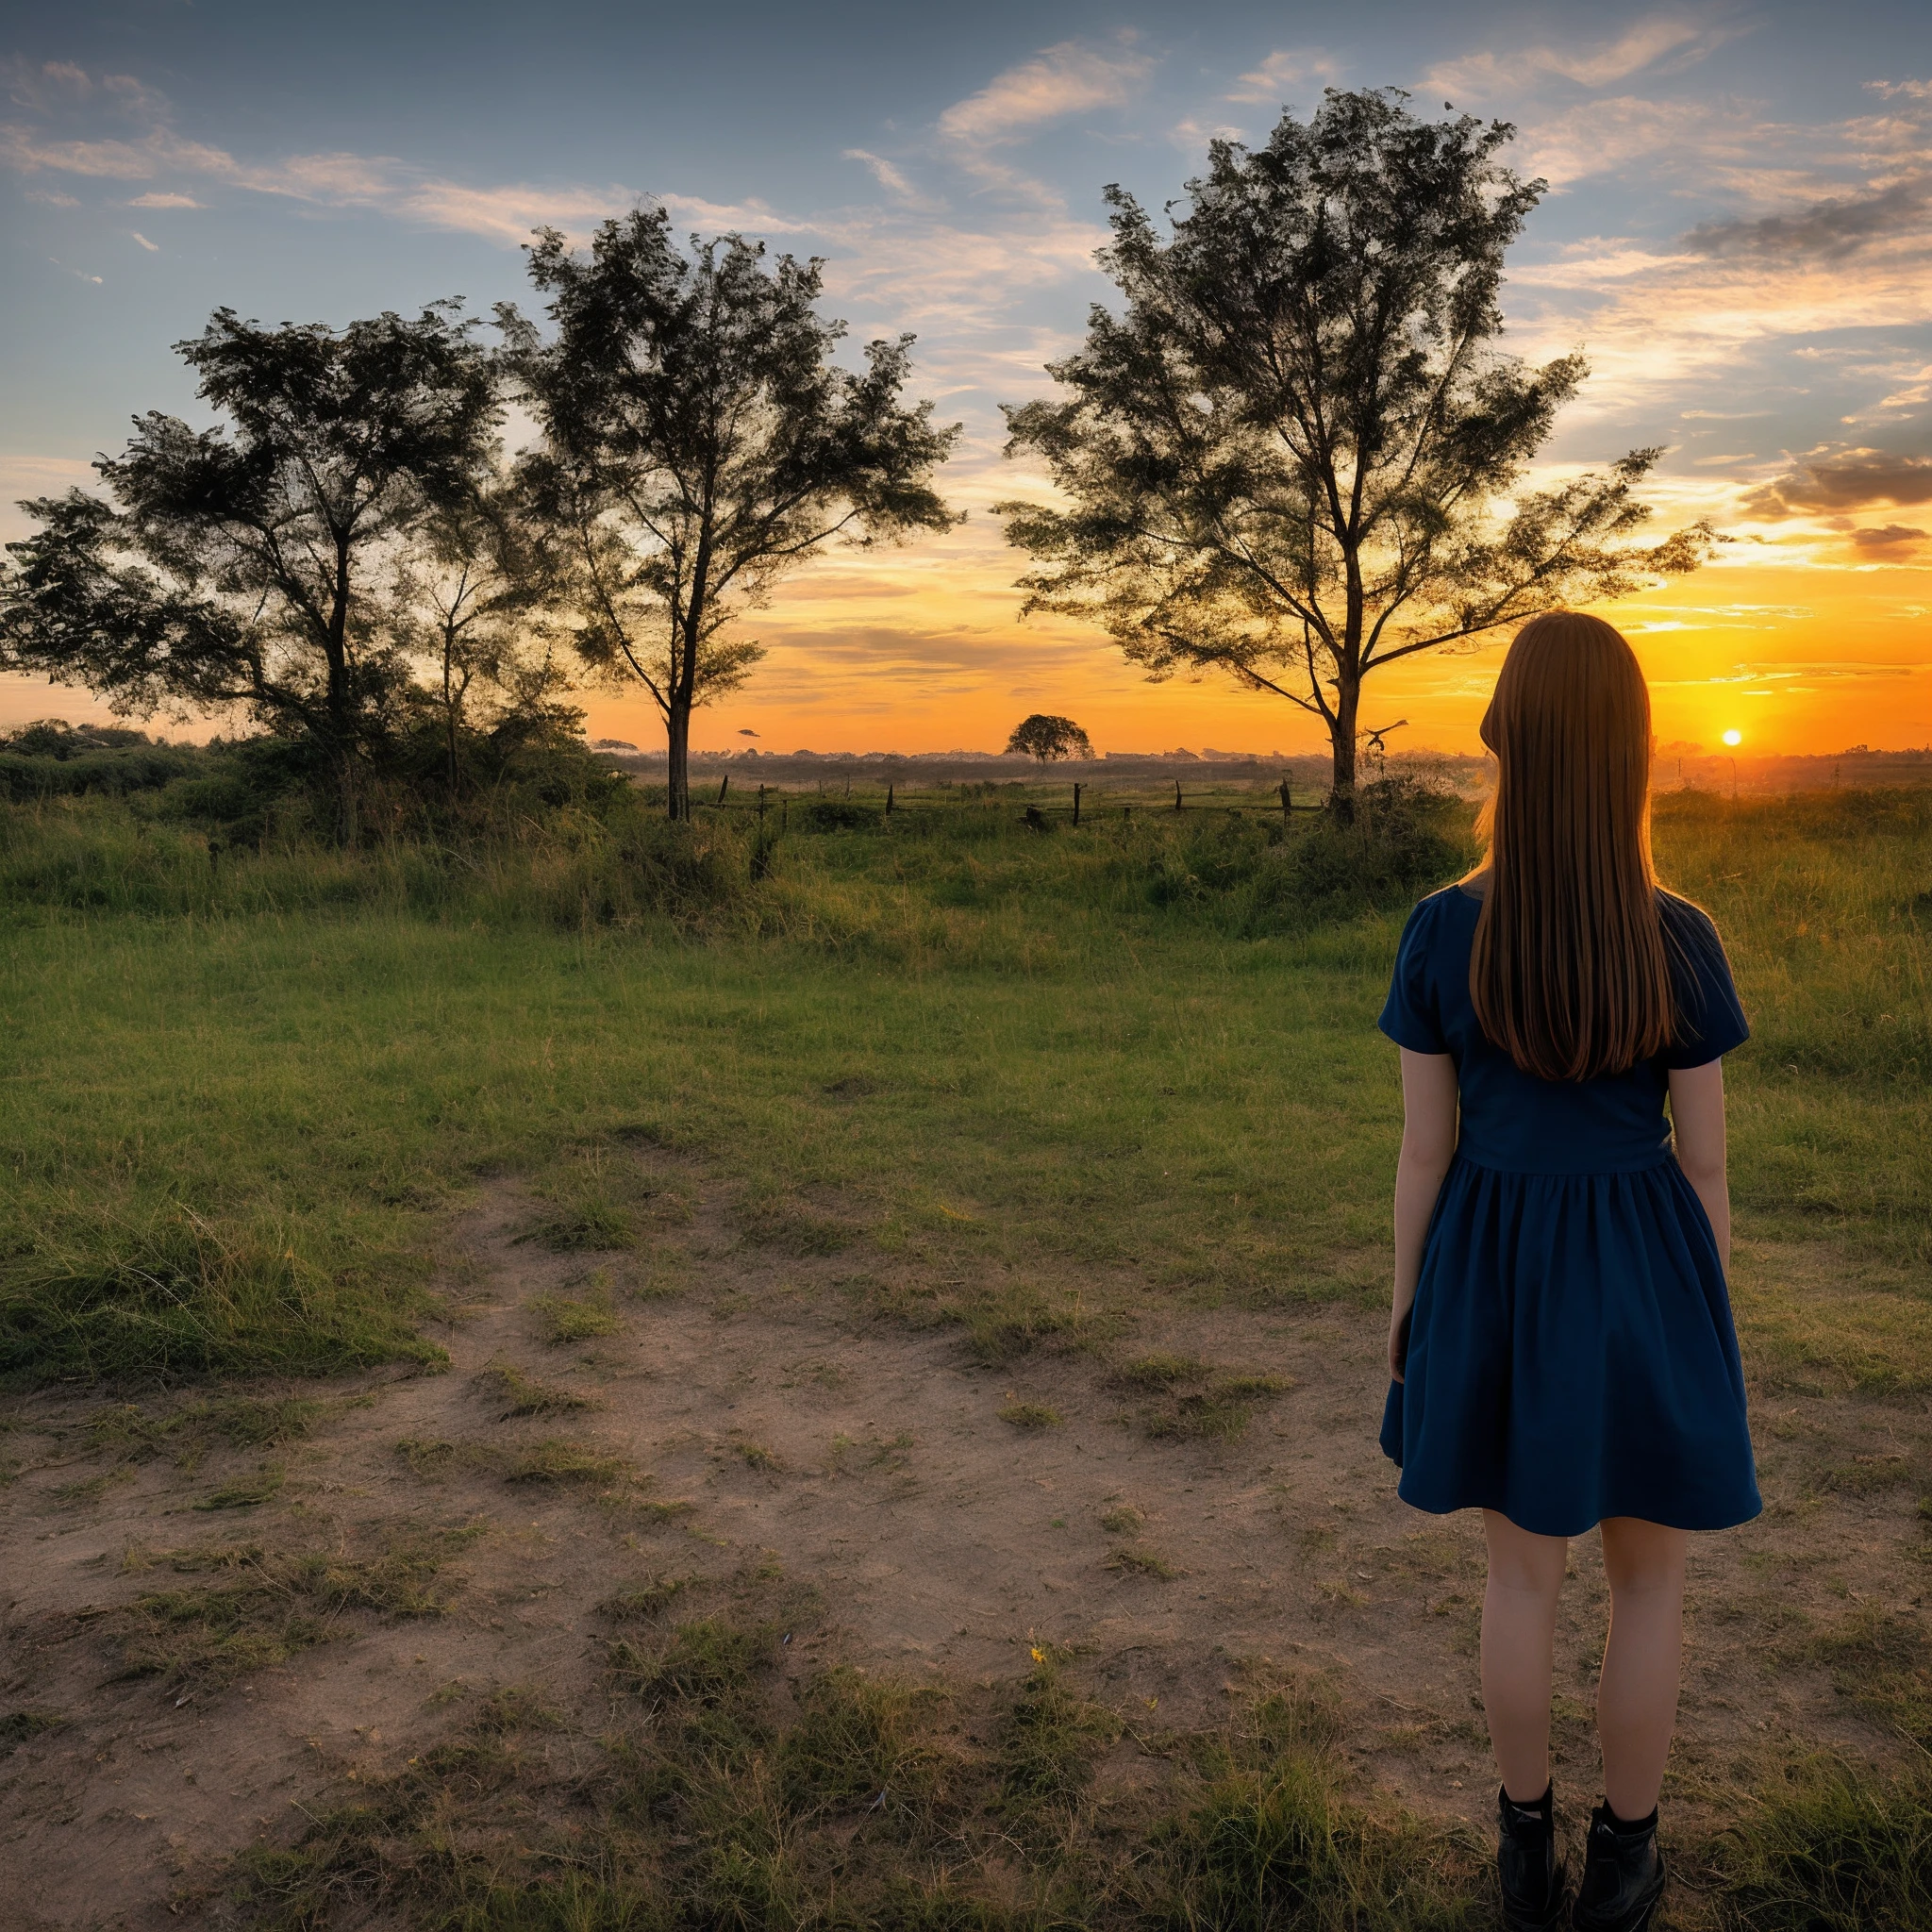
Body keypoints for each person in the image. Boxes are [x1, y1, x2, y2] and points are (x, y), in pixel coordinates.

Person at [1376, 610, 1759, 1932]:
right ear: (1633, 753)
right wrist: (1702, 1320)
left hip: (1492, 1266)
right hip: (1646, 1274)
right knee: (1648, 1581)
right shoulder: (1683, 938)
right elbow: (1704, 1168)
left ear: (1505, 740)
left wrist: (1407, 1310)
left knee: (1519, 1580)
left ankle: (1522, 1847)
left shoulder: (1438, 935)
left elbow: (1426, 1156)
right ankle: (1628, 1859)